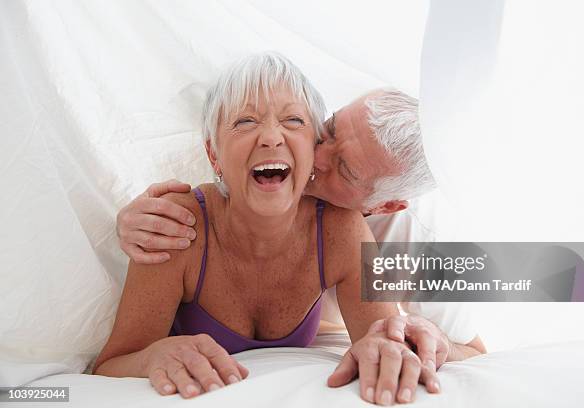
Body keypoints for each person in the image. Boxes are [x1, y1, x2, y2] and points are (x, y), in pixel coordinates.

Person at [94, 52, 450, 406]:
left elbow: (465, 344)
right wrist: (150, 355)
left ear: (384, 205)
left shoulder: (405, 233)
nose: (271, 137)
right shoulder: (177, 228)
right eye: (245, 121)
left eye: (294, 120)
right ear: (213, 155)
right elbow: (110, 364)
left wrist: (418, 344)